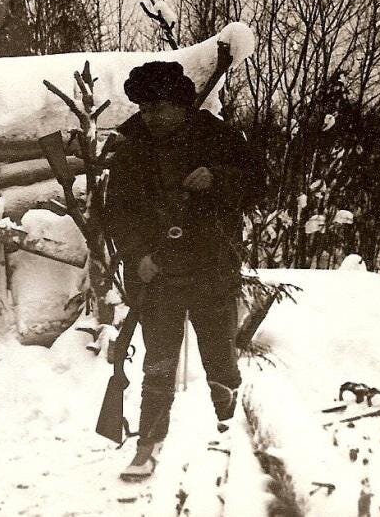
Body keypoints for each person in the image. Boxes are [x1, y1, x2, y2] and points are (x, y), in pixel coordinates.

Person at [104, 61, 251, 481]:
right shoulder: (132, 147)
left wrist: (219, 178)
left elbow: (260, 182)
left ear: (183, 105)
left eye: (161, 107)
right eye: (146, 108)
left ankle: (232, 428)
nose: (152, 117)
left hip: (211, 267)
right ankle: (147, 446)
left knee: (219, 357)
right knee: (159, 364)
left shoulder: (219, 138)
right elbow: (117, 212)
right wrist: (138, 255)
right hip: (159, 272)